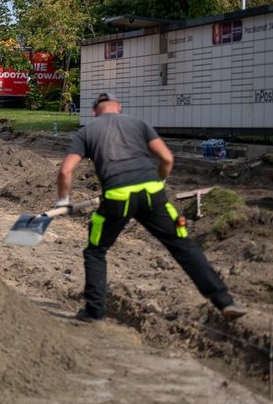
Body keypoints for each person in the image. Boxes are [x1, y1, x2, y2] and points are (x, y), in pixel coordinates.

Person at [56, 92, 247, 323]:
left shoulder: (87, 131)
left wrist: (63, 201)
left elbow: (66, 170)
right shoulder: (139, 123)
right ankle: (224, 302)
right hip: (153, 195)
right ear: (118, 107)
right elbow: (167, 159)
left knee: (96, 251)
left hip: (117, 198)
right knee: (183, 245)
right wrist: (160, 181)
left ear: (95, 111)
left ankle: (95, 311)